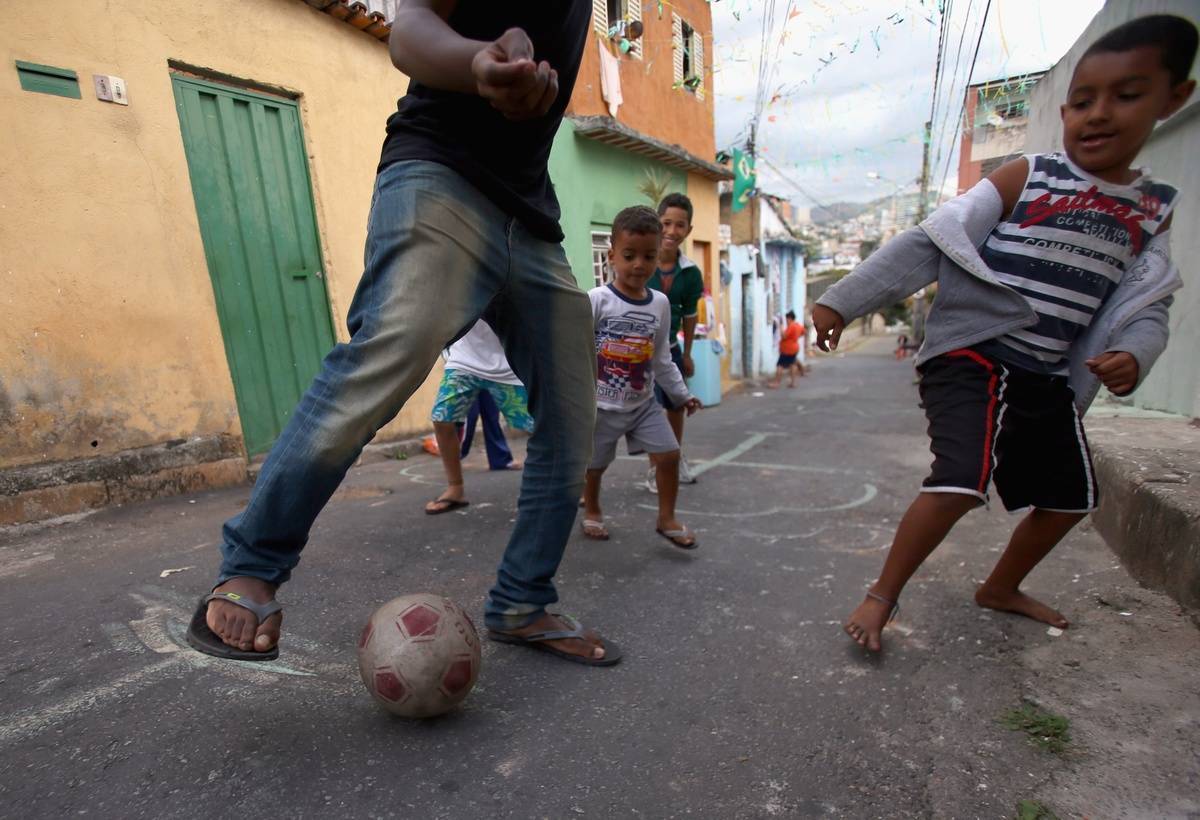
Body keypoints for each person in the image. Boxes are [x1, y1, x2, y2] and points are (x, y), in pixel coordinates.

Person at [186, 0, 621, 667]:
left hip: (531, 215)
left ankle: (522, 601)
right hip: (438, 173)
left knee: (574, 414)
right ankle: (251, 568)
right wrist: (475, 62)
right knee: (393, 349)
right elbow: (410, 28)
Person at [812, 14, 1195, 653]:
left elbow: (1144, 302)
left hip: (1045, 373)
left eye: (1127, 96)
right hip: (971, 354)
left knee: (1072, 496)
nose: (1098, 114)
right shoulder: (1029, 174)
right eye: (1081, 101)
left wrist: (1135, 353)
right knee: (962, 478)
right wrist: (842, 303)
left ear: (1174, 100)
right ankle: (881, 595)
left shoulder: (1150, 213)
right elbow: (930, 242)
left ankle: (999, 586)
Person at [582, 206, 702, 548]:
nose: (639, 264)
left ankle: (666, 518)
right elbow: (577, 350)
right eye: (629, 255)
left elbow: (662, 357)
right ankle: (592, 509)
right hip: (602, 406)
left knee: (668, 455)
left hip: (643, 402)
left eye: (649, 256)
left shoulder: (660, 304)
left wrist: (680, 396)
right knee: (594, 466)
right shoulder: (597, 300)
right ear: (611, 256)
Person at [424, 320, 532, 515]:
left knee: (540, 426)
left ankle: (574, 484)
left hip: (507, 363)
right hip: (464, 361)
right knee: (442, 419)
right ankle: (455, 488)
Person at [646, 193, 706, 491]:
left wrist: (688, 353)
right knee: (648, 409)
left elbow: (690, 315)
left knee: (676, 405)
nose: (671, 231)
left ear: (689, 231)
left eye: (679, 225)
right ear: (657, 223)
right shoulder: (641, 262)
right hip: (638, 352)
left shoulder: (691, 273)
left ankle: (674, 458)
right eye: (666, 223)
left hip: (670, 351)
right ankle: (655, 467)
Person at [769, 310, 805, 387]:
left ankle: (776, 383)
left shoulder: (791, 326)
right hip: (794, 347)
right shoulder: (798, 325)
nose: (786, 321)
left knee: (780, 365)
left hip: (787, 349)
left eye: (787, 319)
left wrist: (781, 328)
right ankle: (793, 383)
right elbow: (803, 332)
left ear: (790, 318)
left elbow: (784, 336)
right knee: (792, 364)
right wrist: (795, 338)